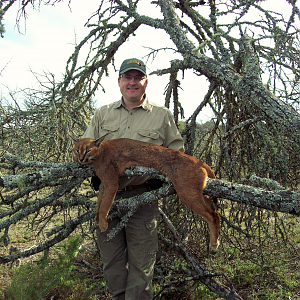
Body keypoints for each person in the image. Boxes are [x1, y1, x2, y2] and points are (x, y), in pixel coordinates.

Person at [83, 58, 184, 300]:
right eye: (127, 77)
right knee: (112, 264)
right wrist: (94, 175)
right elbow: (85, 147)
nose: (133, 82)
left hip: (143, 199)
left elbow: (176, 153)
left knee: (142, 267)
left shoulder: (161, 115)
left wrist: (158, 181)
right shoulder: (102, 114)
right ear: (119, 82)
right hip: (108, 199)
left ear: (145, 82)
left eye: (138, 77)